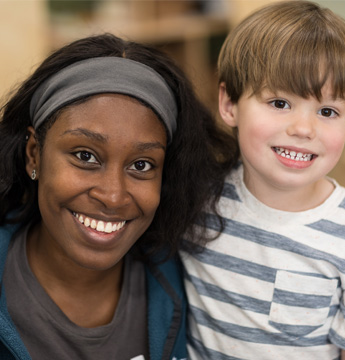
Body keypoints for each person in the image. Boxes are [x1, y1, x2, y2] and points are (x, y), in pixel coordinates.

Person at [0, 34, 237, 360]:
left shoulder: (196, 285)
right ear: (34, 155)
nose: (113, 195)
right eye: (85, 156)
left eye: (142, 165)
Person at [180, 1, 345, 359]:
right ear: (230, 103)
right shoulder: (196, 200)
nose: (303, 129)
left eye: (327, 111)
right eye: (279, 103)